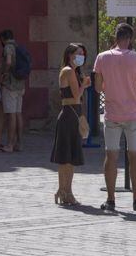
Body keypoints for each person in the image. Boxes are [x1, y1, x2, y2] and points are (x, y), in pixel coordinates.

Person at [92, 22, 136, 212]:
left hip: (112, 112)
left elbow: (98, 88)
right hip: (133, 113)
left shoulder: (102, 58)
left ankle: (110, 200)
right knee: (135, 156)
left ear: (115, 38)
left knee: (111, 155)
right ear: (130, 38)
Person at [51, 43, 89, 206]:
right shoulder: (68, 71)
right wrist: (84, 85)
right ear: (69, 55)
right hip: (69, 115)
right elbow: (75, 96)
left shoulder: (71, 71)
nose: (81, 56)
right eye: (78, 53)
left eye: (82, 54)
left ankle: (65, 191)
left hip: (71, 115)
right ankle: (65, 191)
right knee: (66, 157)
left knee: (69, 157)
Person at [0, 29, 26, 153]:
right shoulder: (18, 47)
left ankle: (10, 144)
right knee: (19, 114)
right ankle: (19, 143)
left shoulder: (8, 47)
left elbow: (8, 61)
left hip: (10, 85)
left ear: (3, 38)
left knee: (11, 115)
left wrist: (4, 72)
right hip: (21, 84)